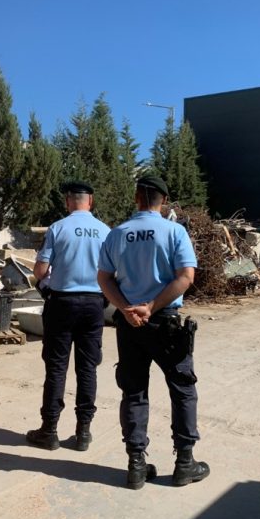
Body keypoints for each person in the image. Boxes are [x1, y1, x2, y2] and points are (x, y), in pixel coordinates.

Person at [97, 176, 210, 489]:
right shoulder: (174, 232)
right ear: (164, 200)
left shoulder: (117, 234)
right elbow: (185, 277)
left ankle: (136, 465)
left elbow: (104, 278)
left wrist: (126, 308)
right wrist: (152, 306)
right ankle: (184, 463)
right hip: (165, 322)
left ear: (137, 197)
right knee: (182, 388)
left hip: (129, 324)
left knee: (133, 391)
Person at [26, 181, 110, 451]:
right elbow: (113, 272)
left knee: (56, 368)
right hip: (94, 304)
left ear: (68, 202)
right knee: (87, 368)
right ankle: (83, 431)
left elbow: (40, 271)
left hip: (62, 303)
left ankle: (49, 430)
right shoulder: (105, 231)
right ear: (91, 201)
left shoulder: (58, 228)